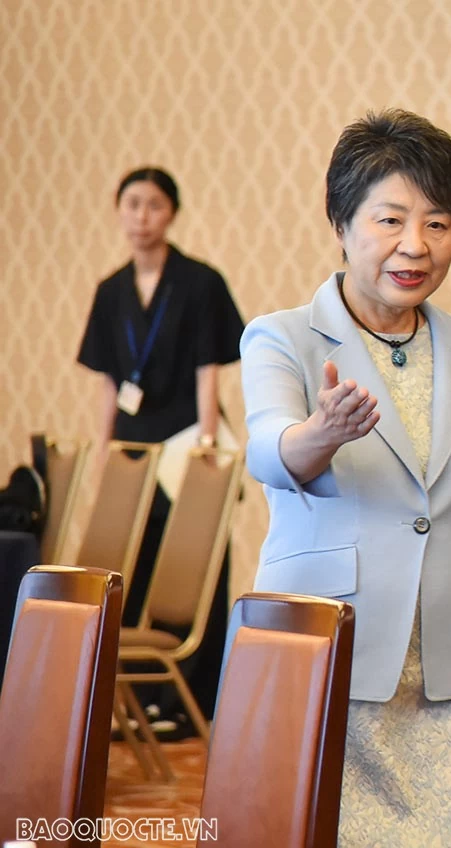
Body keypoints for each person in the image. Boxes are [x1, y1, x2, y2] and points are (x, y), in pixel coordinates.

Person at [241, 109, 451, 848]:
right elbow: (271, 450)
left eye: (439, 224)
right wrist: (323, 432)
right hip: (336, 660)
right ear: (340, 221)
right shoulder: (283, 336)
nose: (416, 246)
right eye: (392, 219)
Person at [76, 166, 244, 729]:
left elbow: (208, 370)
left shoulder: (199, 282)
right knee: (138, 568)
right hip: (135, 445)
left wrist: (203, 444)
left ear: (172, 212)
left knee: (193, 571)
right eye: (131, 204)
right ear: (118, 211)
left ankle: (189, 703)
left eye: (153, 205)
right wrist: (102, 453)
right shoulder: (110, 290)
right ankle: (141, 702)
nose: (141, 216)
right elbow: (105, 383)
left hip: (185, 443)